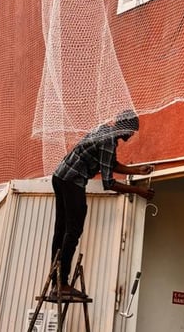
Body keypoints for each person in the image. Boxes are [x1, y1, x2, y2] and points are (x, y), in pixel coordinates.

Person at [50, 109, 154, 295]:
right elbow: (109, 183)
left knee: (61, 230)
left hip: (60, 176)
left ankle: (55, 281)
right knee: (73, 231)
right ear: (124, 127)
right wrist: (139, 191)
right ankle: (61, 283)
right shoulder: (108, 141)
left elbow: (111, 164)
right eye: (131, 131)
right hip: (72, 180)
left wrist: (138, 171)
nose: (131, 135)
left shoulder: (104, 131)